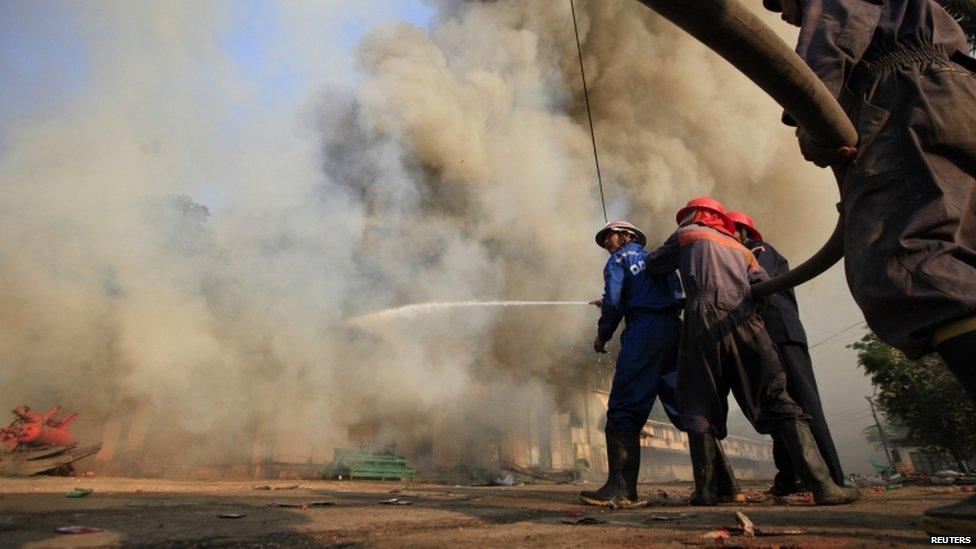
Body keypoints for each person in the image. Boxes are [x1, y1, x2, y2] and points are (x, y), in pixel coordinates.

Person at [764, 0, 976, 531]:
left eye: (782, 3)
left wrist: (815, 117)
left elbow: (831, 34)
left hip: (904, 98)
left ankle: (952, 540)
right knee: (965, 261)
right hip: (954, 95)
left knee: (913, 261)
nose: (786, 14)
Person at [643, 197, 857, 506]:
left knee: (699, 401)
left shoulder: (688, 233)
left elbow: (655, 264)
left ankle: (706, 492)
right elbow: (763, 285)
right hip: (748, 321)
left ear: (695, 215)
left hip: (702, 316)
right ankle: (824, 486)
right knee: (777, 398)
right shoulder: (743, 249)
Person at [727, 211, 845, 494]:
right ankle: (791, 477)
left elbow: (757, 284)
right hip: (768, 334)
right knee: (779, 404)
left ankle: (831, 476)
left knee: (804, 403)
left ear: (744, 231)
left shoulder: (758, 250)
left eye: (729, 231)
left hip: (781, 333)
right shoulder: (745, 253)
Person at [578, 221, 683, 508]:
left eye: (609, 238)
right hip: (673, 331)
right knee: (687, 406)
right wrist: (626, 300)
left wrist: (603, 334)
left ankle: (620, 489)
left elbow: (614, 299)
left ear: (627, 236)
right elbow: (665, 294)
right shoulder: (657, 260)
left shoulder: (618, 259)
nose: (606, 244)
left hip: (643, 332)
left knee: (624, 406)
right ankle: (721, 485)